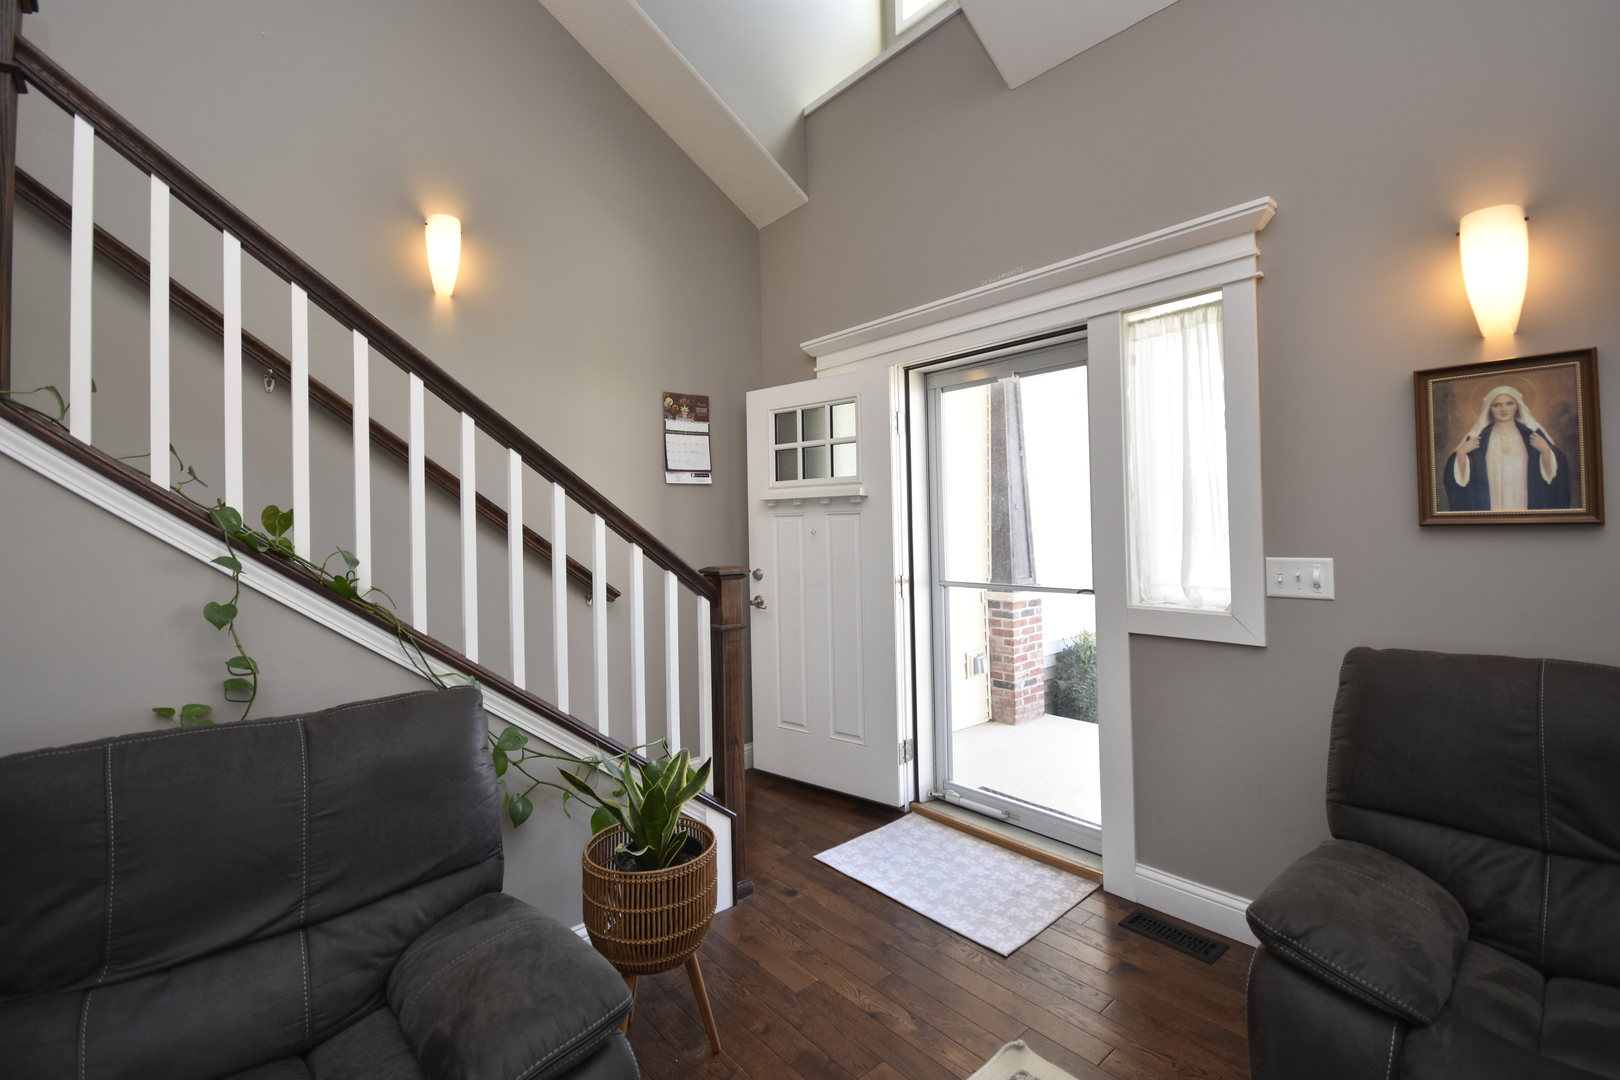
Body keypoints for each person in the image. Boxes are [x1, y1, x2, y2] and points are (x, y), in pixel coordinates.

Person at [1442, 385, 1570, 511]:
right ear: (1489, 409)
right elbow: (1459, 480)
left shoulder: (1532, 435)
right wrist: (1461, 453)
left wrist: (1545, 450)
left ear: (1517, 406)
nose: (1504, 409)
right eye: (1496, 405)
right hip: (1491, 499)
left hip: (1523, 497)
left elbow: (1555, 475)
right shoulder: (1478, 437)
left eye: (1509, 403)